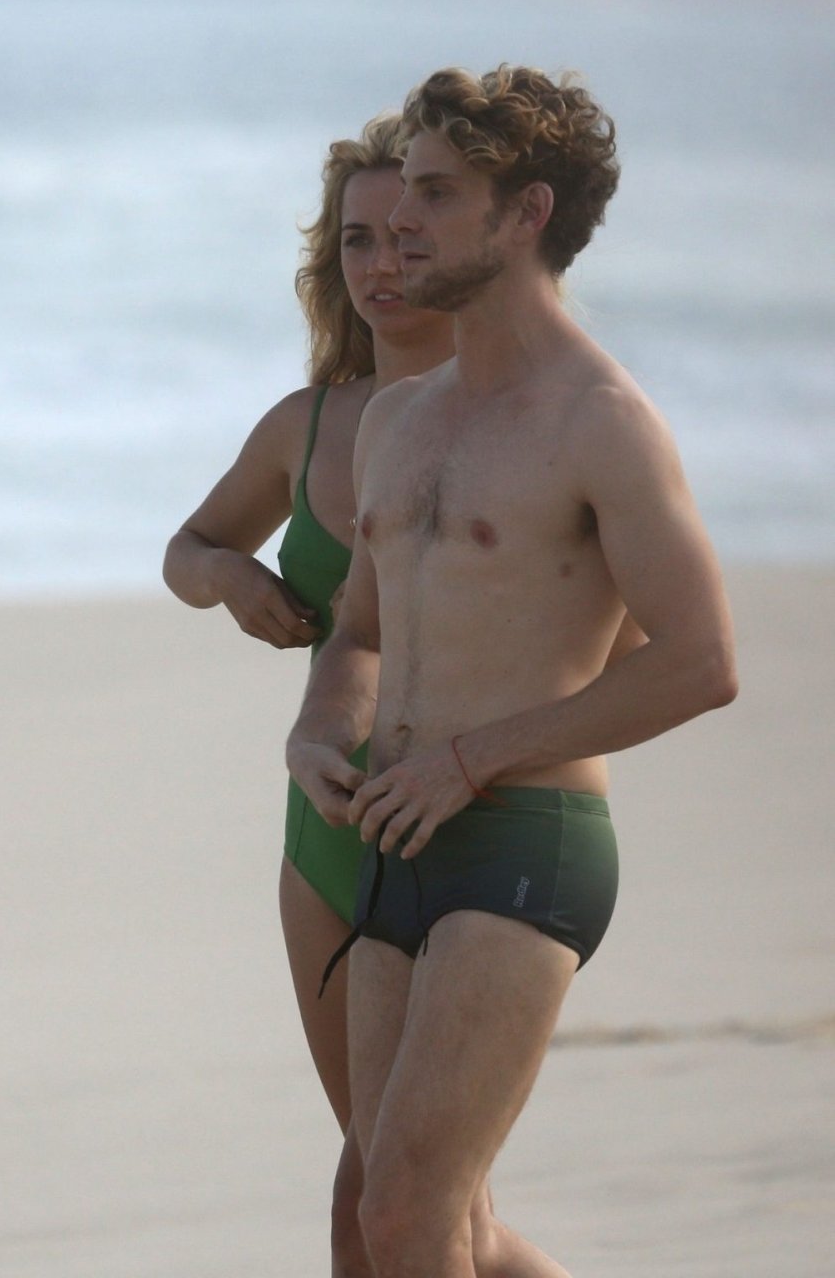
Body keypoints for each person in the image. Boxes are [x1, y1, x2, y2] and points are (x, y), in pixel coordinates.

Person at [286, 65, 738, 1278]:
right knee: (411, 1221)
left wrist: (470, 758)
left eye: (437, 193)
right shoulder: (398, 421)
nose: (403, 219)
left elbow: (700, 662)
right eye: (404, 190)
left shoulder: (600, 420)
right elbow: (359, 631)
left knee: (406, 1216)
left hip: (523, 841)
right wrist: (321, 726)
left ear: (525, 213)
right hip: (392, 839)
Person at [163, 112, 585, 1278]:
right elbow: (190, 546)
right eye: (355, 239)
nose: (381, 263)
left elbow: (623, 633)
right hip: (328, 822)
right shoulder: (311, 425)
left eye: (404, 232)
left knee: (417, 1206)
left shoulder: (530, 420)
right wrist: (232, 579)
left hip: (470, 815)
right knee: (376, 1194)